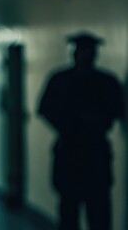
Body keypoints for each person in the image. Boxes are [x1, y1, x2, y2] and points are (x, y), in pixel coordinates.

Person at [38, 32, 124, 230]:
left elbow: (116, 111)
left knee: (98, 214)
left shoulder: (106, 82)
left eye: (89, 52)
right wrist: (69, 124)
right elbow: (46, 110)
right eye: (82, 51)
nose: (85, 56)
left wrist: (94, 121)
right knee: (70, 214)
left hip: (94, 154)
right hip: (71, 152)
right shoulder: (62, 80)